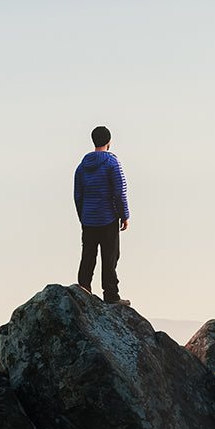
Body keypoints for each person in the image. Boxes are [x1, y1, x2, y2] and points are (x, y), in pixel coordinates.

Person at [73, 125, 130, 305]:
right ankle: (111, 296)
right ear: (109, 142)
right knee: (110, 256)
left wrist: (83, 216)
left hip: (88, 219)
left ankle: (83, 293)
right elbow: (119, 192)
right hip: (108, 218)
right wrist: (124, 215)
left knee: (88, 256)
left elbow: (78, 196)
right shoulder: (112, 163)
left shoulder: (82, 167)